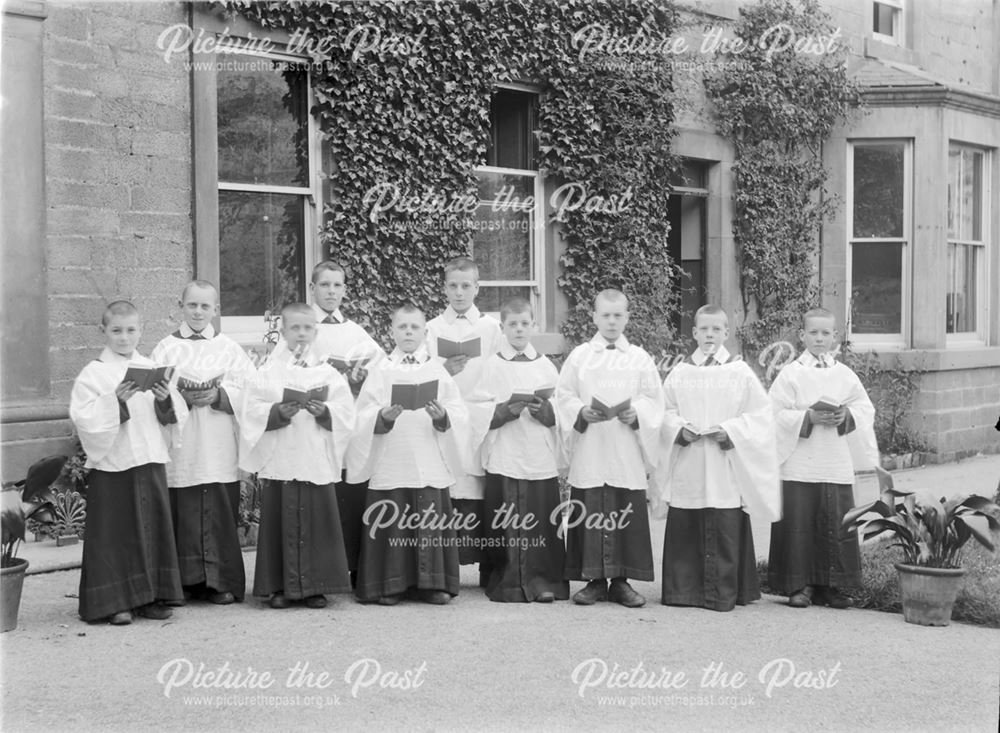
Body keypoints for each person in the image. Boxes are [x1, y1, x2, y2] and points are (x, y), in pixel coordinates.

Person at [652, 304, 780, 612]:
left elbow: (761, 415)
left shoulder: (739, 372)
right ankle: (683, 592)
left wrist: (731, 431)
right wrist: (679, 430)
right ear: (694, 333)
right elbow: (663, 413)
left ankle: (725, 591)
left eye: (716, 329)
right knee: (687, 523)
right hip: (690, 462)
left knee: (725, 520)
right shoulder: (681, 373)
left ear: (726, 333)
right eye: (704, 329)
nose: (710, 334)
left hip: (724, 464)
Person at [70, 300, 188, 624]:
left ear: (141, 331)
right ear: (103, 331)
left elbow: (173, 416)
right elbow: (85, 418)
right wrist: (115, 401)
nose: (124, 338)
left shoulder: (151, 367)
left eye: (131, 330)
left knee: (151, 528)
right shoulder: (93, 374)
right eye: (117, 331)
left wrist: (165, 400)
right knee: (116, 533)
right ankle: (115, 603)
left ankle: (150, 596)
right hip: (114, 465)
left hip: (148, 459)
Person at [269, 261, 386, 589]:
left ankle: (351, 567)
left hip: (342, 421)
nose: (331, 291)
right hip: (310, 428)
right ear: (313, 288)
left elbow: (380, 371)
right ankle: (318, 571)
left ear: (345, 289)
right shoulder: (302, 326)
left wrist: (361, 376)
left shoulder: (356, 333)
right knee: (322, 496)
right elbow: (279, 368)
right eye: (325, 285)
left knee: (350, 492)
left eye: (337, 285)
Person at [347, 303, 468, 605]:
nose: (409, 332)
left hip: (428, 454)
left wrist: (442, 416)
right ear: (392, 331)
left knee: (429, 516)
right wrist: (382, 416)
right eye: (402, 327)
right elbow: (361, 415)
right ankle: (390, 584)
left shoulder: (437, 370)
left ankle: (433, 584)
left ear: (425, 332)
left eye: (415, 327)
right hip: (393, 456)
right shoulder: (381, 371)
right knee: (394, 515)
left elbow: (458, 412)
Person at [240, 303, 356, 609]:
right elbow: (250, 409)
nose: (301, 334)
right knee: (281, 517)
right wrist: (277, 411)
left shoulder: (328, 372)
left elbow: (346, 413)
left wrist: (325, 412)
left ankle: (315, 587)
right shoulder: (268, 371)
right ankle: (278, 586)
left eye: (307, 328)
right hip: (282, 457)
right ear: (284, 331)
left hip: (314, 457)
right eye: (295, 328)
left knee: (318, 520)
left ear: (315, 332)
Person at [554, 289, 664, 607]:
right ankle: (593, 580)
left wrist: (638, 414)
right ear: (595, 317)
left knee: (623, 507)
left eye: (618, 315)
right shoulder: (580, 357)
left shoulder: (640, 358)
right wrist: (580, 412)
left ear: (627, 317)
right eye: (606, 315)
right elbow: (564, 395)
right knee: (591, 508)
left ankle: (621, 581)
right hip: (591, 445)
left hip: (624, 447)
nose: (612, 321)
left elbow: (653, 399)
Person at [767, 307, 878, 609]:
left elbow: (865, 410)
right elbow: (773, 414)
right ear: (802, 335)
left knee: (835, 522)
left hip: (835, 460)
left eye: (825, 333)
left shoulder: (845, 375)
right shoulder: (791, 374)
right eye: (813, 332)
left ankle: (831, 586)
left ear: (835, 337)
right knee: (799, 522)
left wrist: (847, 414)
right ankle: (798, 584)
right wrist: (808, 417)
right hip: (800, 461)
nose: (819, 338)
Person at [152, 280, 255, 605]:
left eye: (205, 306)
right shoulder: (165, 348)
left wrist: (220, 394)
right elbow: (152, 393)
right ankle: (182, 583)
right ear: (180, 305)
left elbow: (252, 390)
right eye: (192, 305)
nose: (198, 312)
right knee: (182, 510)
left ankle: (220, 582)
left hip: (217, 441)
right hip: (182, 446)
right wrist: (179, 396)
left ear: (216, 310)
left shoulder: (229, 348)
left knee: (219, 511)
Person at [479, 297, 568, 603]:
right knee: (506, 516)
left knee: (541, 516)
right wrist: (503, 411)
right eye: (512, 324)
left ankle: (545, 581)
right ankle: (507, 582)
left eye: (524, 323)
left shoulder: (545, 365)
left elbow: (560, 408)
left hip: (536, 449)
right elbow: (478, 409)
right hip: (505, 448)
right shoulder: (491, 365)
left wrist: (546, 410)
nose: (519, 329)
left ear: (534, 325)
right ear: (502, 327)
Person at [426, 257, 503, 585]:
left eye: (466, 286)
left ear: (477, 287)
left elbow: (502, 369)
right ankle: (447, 569)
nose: (459, 293)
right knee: (450, 487)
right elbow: (422, 373)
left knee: (481, 488)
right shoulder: (432, 328)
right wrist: (445, 371)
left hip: (481, 414)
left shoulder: (490, 328)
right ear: (444, 286)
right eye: (453, 286)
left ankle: (487, 566)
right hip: (445, 415)